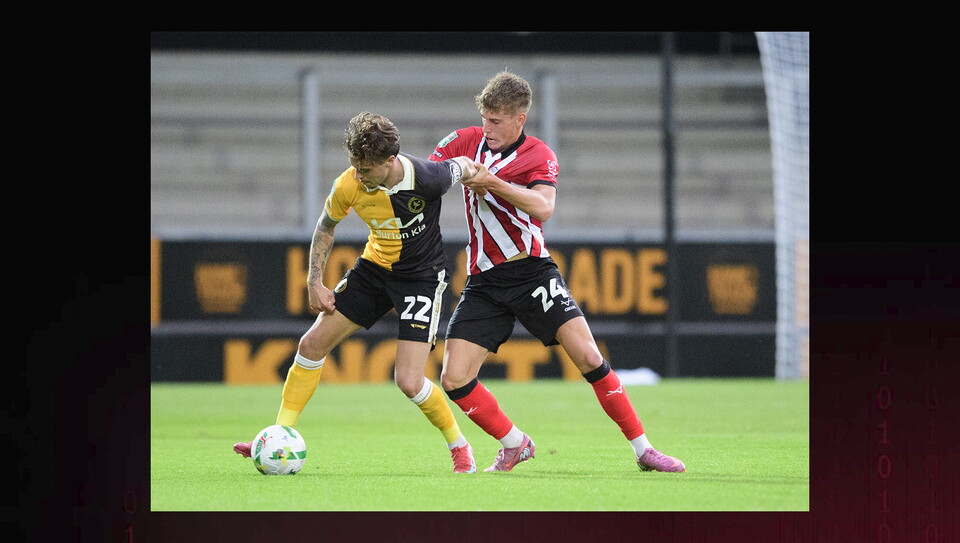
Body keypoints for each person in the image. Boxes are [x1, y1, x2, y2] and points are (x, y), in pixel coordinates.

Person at [430, 71, 685, 473]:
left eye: (496, 121)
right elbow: (428, 178)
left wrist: (491, 182)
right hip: (484, 281)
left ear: (520, 118)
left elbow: (544, 207)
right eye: (484, 118)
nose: (487, 128)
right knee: (454, 378)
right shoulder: (464, 141)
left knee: (587, 356)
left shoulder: (539, 154)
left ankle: (644, 450)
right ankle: (515, 443)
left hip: (532, 273)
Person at [234, 111, 482, 473]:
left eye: (365, 168)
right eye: (354, 165)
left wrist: (488, 182)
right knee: (310, 345)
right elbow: (326, 226)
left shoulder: (428, 178)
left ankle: (460, 447)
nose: (358, 175)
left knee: (409, 382)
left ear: (390, 161)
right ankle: (279, 436)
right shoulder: (348, 183)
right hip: (374, 270)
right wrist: (314, 281)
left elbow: (467, 167)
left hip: (420, 278)